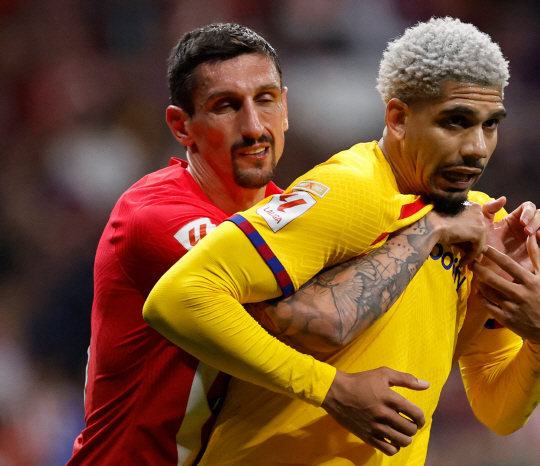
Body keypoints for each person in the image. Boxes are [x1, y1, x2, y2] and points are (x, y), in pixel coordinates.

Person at [67, 23, 507, 465]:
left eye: (266, 99)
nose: (253, 127)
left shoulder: (289, 217)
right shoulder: (156, 217)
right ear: (182, 126)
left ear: (286, 109)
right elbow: (319, 321)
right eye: (226, 106)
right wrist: (430, 225)